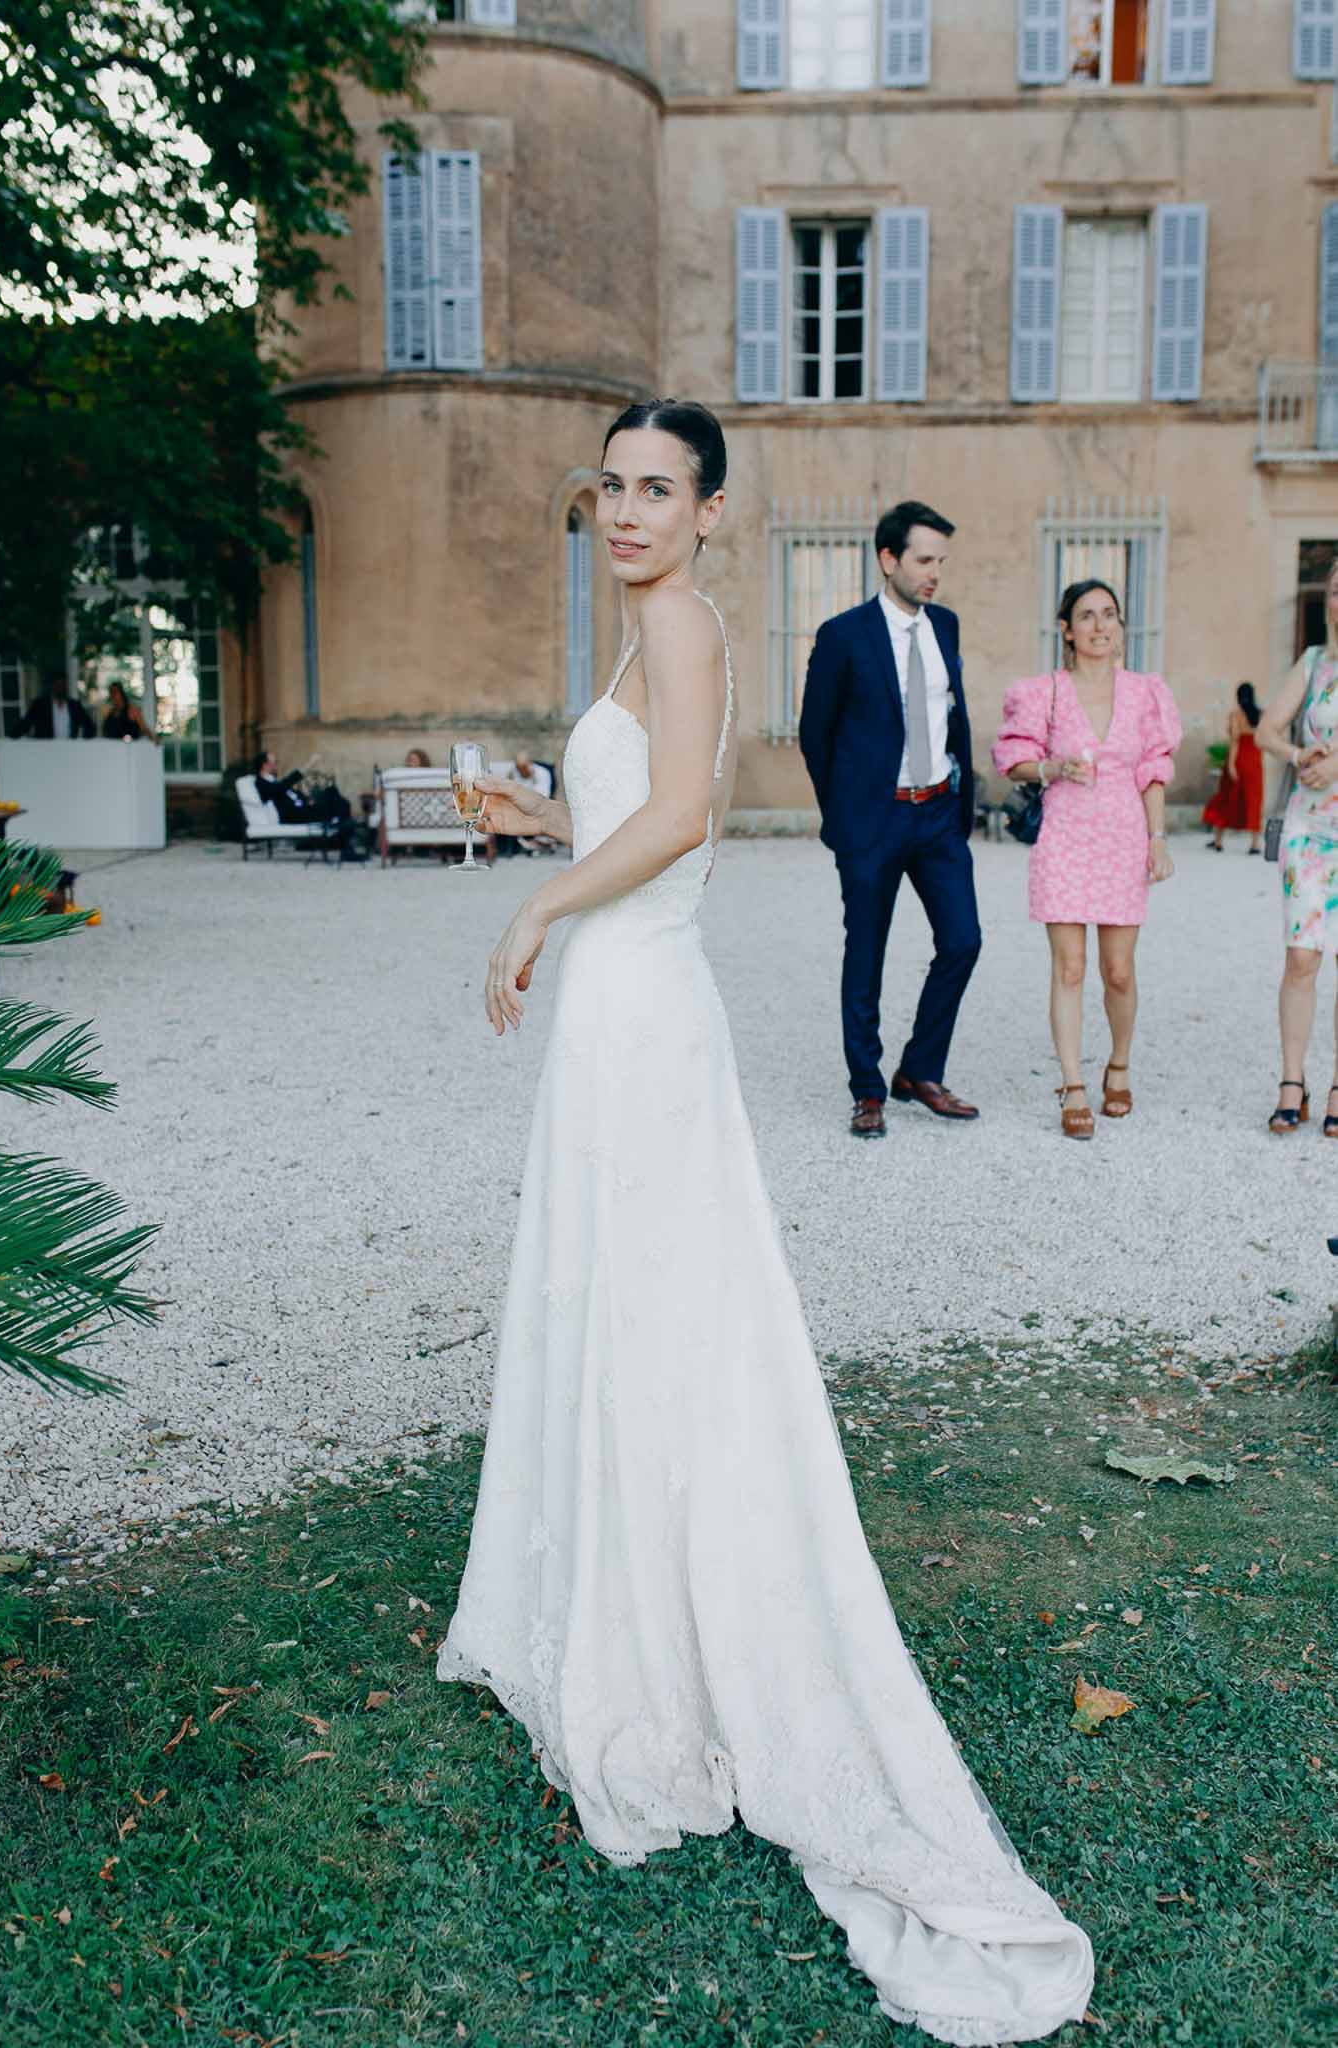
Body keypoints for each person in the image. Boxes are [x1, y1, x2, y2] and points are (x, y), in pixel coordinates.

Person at [438, 399, 1093, 2045]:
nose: (630, 510)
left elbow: (682, 823)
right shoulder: (643, 627)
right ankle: (625, 1588)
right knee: (629, 1309)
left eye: (660, 488)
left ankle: (673, 1632)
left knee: (665, 1316)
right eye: (613, 485)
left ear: (710, 509)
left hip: (643, 1006)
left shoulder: (681, 620)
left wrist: (533, 905)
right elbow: (629, 813)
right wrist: (536, 820)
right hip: (624, 1004)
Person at [799, 501, 981, 1139]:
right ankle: (867, 1088)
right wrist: (844, 818)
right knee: (867, 952)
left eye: (941, 562)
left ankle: (919, 1070)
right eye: (924, 561)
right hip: (873, 821)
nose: (935, 574)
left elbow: (952, 715)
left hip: (938, 815)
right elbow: (815, 735)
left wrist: (960, 799)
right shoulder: (843, 636)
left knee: (963, 941)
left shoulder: (946, 627)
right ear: (888, 559)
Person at [992, 580, 1181, 1139]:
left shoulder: (1145, 693)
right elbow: (1013, 759)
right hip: (1065, 837)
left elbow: (1152, 770)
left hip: (1123, 837)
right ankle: (1073, 1085)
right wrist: (1052, 768)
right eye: (1087, 616)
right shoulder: (1044, 692)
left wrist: (1158, 838)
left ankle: (1119, 1064)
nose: (1100, 626)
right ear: (1067, 630)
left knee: (1118, 972)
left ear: (1120, 626)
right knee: (1069, 967)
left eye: (1109, 615)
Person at [1257, 554, 1338, 1137]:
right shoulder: (1312, 664)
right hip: (1309, 828)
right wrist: (1296, 754)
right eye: (1335, 588)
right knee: (1301, 956)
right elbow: (1267, 729)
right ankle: (1292, 1081)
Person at [253, 750, 363, 861]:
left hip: (304, 810)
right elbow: (283, 786)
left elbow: (291, 793)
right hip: (294, 816)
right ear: (265, 765)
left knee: (337, 798)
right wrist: (308, 765)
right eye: (275, 762)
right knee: (335, 798)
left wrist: (307, 800)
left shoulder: (272, 781)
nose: (277, 764)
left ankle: (340, 831)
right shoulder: (261, 783)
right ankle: (341, 834)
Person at [1202, 683, 1264, 853]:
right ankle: (1255, 844)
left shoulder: (1236, 715)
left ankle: (1218, 841)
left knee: (1226, 799)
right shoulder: (1261, 715)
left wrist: (1231, 765)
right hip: (1255, 761)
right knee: (1254, 800)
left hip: (1238, 760)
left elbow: (1235, 741)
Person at [14, 672, 95, 738]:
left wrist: (83, 743)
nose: (61, 688)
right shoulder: (40, 705)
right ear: (52, 686)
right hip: (46, 749)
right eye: (58, 685)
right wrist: (12, 738)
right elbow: (26, 724)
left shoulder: (74, 705)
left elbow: (89, 726)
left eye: (63, 685)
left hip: (70, 748)